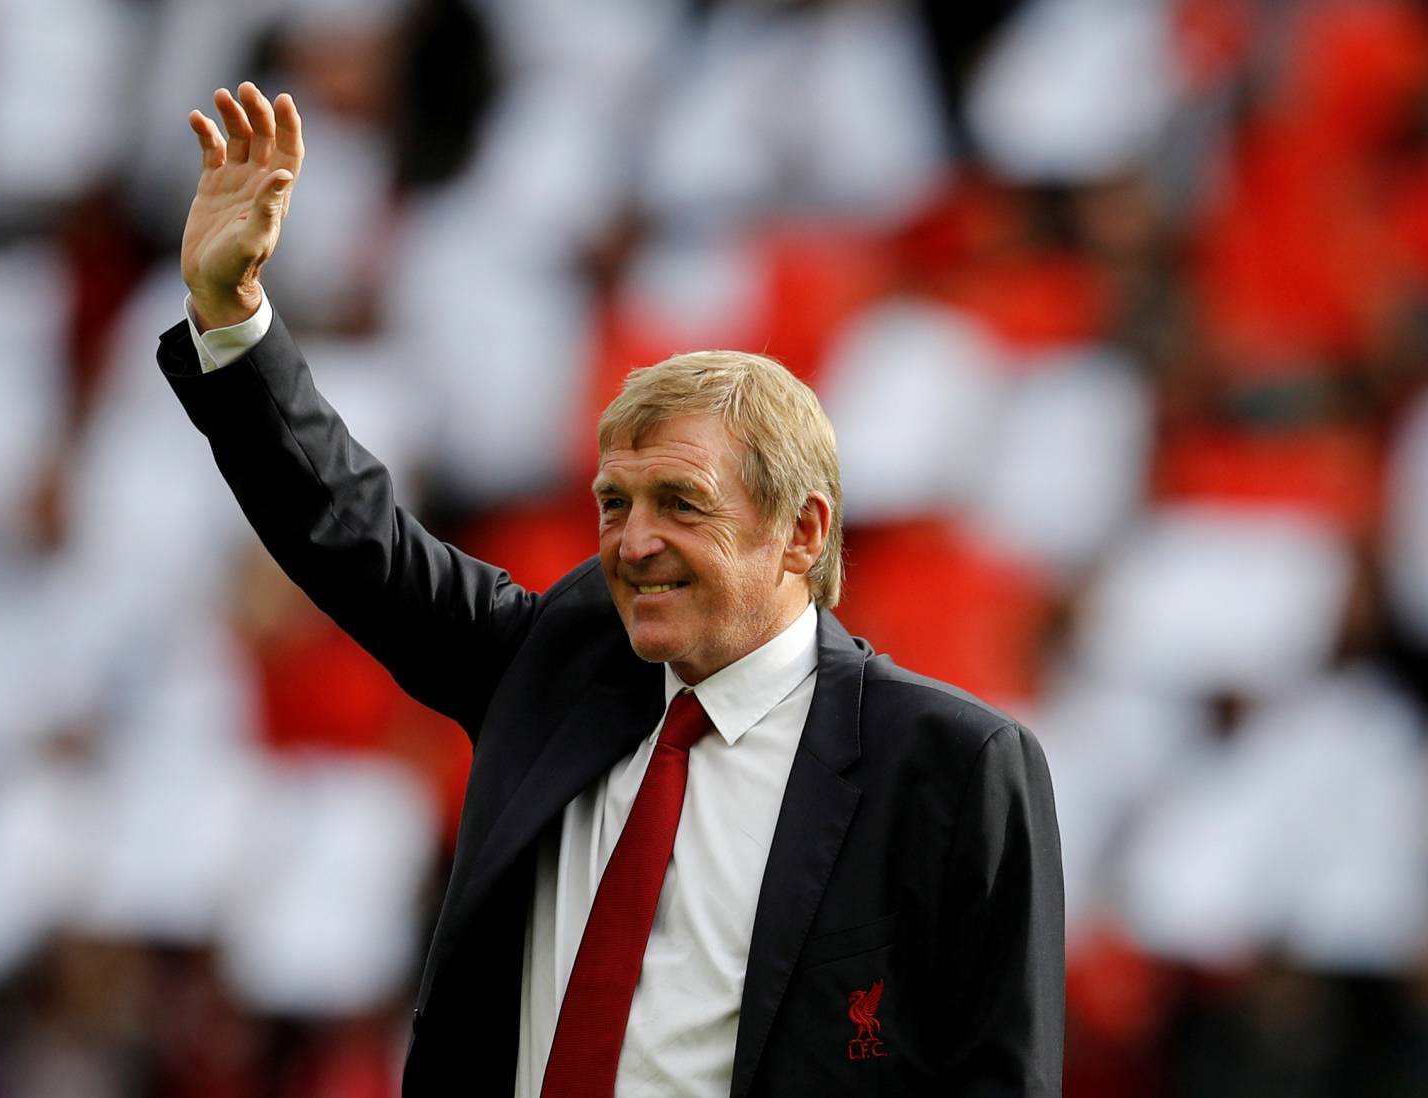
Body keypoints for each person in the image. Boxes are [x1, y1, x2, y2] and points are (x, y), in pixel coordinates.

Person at [159, 82, 1064, 1097]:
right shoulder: (557, 668)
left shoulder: (946, 766)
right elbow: (351, 536)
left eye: (679, 503)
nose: (632, 542)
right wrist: (232, 319)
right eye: (613, 502)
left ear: (801, 530)